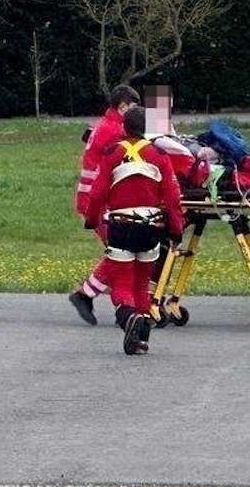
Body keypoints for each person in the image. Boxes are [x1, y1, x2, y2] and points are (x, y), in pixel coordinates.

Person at [84, 106, 185, 355]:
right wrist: (176, 230)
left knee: (121, 281)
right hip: (151, 227)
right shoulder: (160, 156)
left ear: (124, 128)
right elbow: (173, 198)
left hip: (121, 226)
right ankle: (141, 333)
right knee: (141, 283)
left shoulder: (112, 154)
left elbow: (97, 193)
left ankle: (129, 318)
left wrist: (91, 219)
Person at [68, 84, 140, 325]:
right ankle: (94, 297)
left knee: (121, 251)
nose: (135, 113)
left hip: (97, 198)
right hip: (98, 201)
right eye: (133, 108)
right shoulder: (113, 130)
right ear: (122, 107)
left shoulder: (107, 125)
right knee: (121, 252)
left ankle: (90, 295)